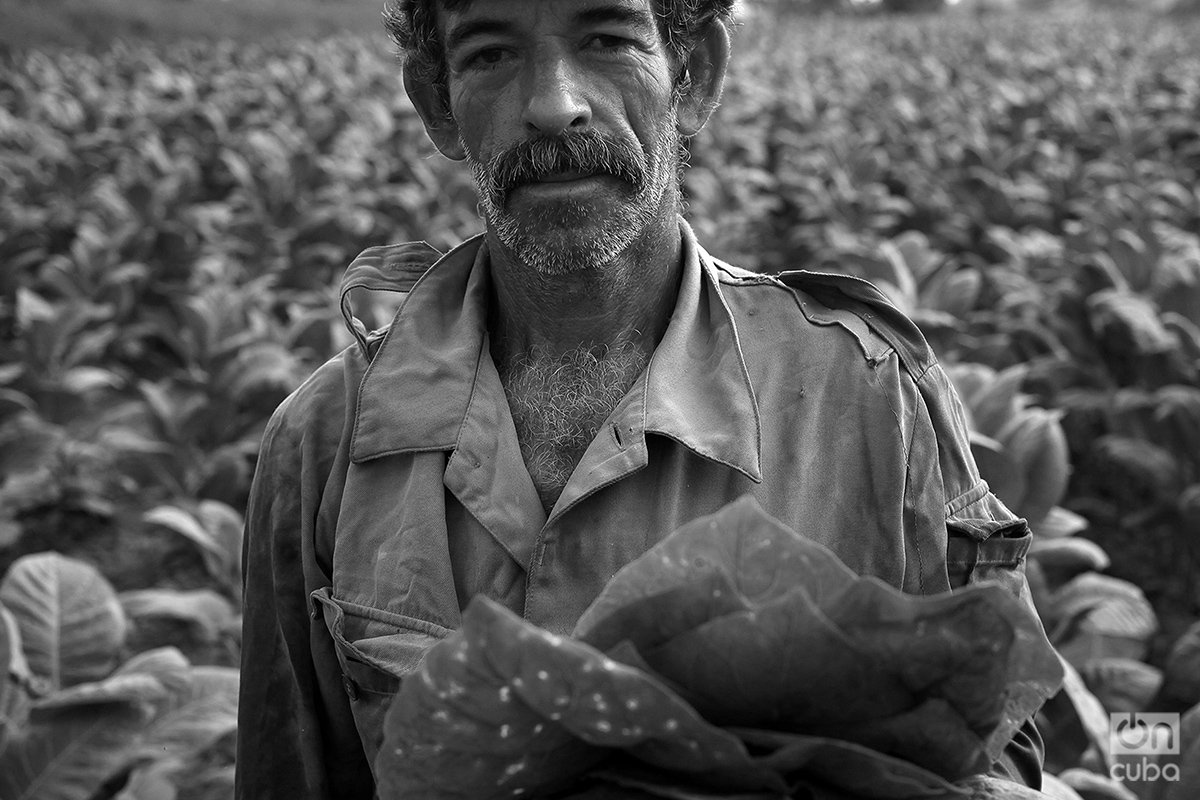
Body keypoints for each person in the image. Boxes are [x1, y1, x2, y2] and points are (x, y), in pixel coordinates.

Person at [235, 0, 1054, 796]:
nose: (554, 105)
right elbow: (290, 771)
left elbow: (994, 744)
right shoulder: (323, 439)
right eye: (491, 53)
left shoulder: (873, 397)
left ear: (693, 76)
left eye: (607, 38)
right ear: (438, 106)